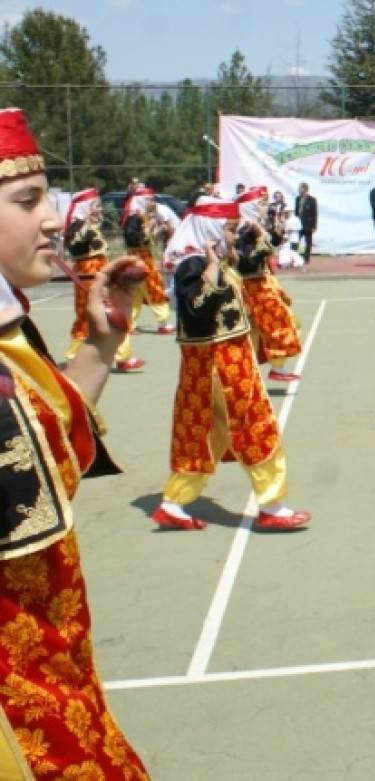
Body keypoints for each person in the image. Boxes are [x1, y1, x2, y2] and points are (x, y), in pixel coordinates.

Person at [0, 106, 150, 779]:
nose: (54, 219)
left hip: (57, 687)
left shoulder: (9, 335)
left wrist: (99, 344)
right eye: (27, 200)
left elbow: (39, 465)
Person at [151, 197, 310, 532]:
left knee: (204, 434)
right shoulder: (192, 265)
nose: (233, 235)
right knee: (256, 426)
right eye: (228, 228)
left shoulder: (212, 262)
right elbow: (196, 310)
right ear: (209, 230)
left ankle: (173, 503)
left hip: (222, 362)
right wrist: (213, 265)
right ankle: (271, 504)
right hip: (219, 365)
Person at [63, 188, 145, 372]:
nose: (100, 209)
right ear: (85, 208)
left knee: (114, 314)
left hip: (101, 275)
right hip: (89, 278)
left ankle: (123, 356)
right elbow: (76, 248)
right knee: (88, 317)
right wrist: (85, 225)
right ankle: (73, 355)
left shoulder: (91, 227)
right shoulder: (79, 228)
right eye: (96, 206)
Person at [234, 188, 303, 383]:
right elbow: (246, 262)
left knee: (257, 330)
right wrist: (262, 240)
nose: (266, 207)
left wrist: (271, 229)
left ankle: (257, 368)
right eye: (262, 204)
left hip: (264, 282)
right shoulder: (243, 232)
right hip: (254, 286)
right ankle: (274, 366)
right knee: (281, 322)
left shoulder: (256, 227)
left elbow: (276, 241)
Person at [120, 186, 175, 334]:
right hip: (139, 259)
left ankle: (129, 322)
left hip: (145, 256)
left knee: (137, 292)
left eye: (152, 199)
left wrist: (156, 230)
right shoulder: (134, 218)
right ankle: (162, 322)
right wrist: (151, 229)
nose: (152, 202)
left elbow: (147, 239)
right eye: (149, 200)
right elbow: (132, 239)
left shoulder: (144, 217)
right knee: (154, 288)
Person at [294, 182, 317, 264]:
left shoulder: (312, 200)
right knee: (296, 241)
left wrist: (314, 226)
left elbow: (314, 213)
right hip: (298, 224)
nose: (299, 190)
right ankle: (294, 257)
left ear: (305, 189)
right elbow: (296, 212)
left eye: (300, 188)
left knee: (308, 242)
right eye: (299, 188)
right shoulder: (297, 199)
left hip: (308, 224)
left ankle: (306, 258)